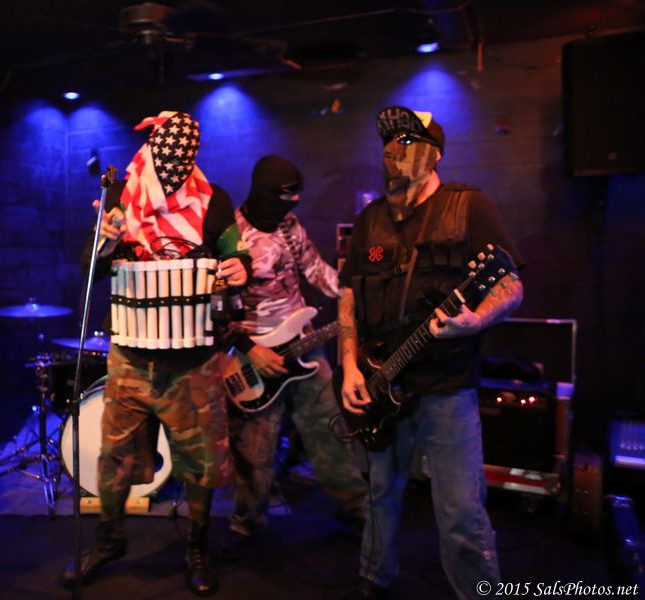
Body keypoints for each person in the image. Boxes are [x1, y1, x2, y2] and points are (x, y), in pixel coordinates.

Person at [338, 106, 524, 600]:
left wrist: (476, 320)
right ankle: (374, 577)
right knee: (379, 495)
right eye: (388, 143)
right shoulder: (370, 219)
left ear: (434, 154)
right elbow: (349, 298)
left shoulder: (469, 206)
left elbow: (510, 285)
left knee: (461, 510)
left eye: (407, 142)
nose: (393, 152)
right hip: (380, 382)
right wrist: (350, 365)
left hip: (447, 387)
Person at [61, 111, 250, 596]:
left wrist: (238, 268)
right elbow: (89, 269)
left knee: (201, 460)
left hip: (193, 358)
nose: (170, 176)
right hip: (131, 355)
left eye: (180, 166)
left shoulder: (214, 200)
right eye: (164, 163)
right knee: (114, 456)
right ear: (148, 152)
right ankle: (108, 539)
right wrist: (106, 240)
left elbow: (238, 255)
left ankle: (198, 545)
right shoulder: (120, 198)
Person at [221, 155, 367, 555]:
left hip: (304, 344)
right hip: (255, 356)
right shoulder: (232, 235)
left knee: (330, 427)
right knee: (256, 447)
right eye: (284, 197)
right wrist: (250, 349)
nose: (290, 204)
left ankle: (356, 506)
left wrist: (355, 296)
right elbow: (218, 310)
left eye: (296, 197)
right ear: (264, 192)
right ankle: (246, 522)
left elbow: (315, 269)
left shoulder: (290, 225)